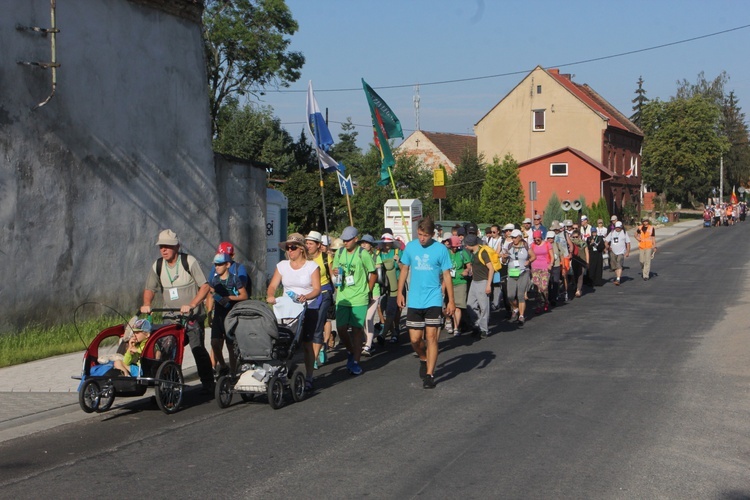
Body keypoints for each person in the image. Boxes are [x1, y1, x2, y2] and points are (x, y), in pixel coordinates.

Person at [141, 229, 214, 393]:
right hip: (170, 317)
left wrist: (192, 304)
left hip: (191, 317)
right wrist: (146, 303)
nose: (164, 250)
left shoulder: (189, 262)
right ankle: (168, 385)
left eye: (167, 246)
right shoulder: (158, 265)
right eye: (161, 247)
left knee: (197, 349)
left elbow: (204, 286)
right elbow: (149, 289)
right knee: (167, 349)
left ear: (177, 247)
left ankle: (208, 382)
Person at [397, 217, 455, 389]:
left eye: (426, 235)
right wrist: (400, 293)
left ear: (432, 235)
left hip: (433, 299)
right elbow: (404, 269)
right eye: (420, 234)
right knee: (415, 340)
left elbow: (446, 275)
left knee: (431, 337)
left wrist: (450, 301)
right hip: (415, 298)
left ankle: (430, 374)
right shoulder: (411, 247)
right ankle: (423, 357)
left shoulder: (440, 249)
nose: (422, 238)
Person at [266, 233, 321, 390]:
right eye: (288, 248)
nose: (290, 250)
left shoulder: (311, 267)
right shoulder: (282, 265)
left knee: (307, 343)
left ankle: (309, 376)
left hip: (307, 307)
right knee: (285, 341)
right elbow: (272, 285)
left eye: (293, 247)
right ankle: (282, 372)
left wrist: (306, 296)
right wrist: (270, 295)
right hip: (288, 308)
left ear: (302, 249)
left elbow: (317, 289)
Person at [332, 226, 376, 376]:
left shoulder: (363, 254)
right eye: (343, 240)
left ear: (356, 239)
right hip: (343, 296)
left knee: (357, 330)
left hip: (359, 297)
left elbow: (373, 273)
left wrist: (368, 291)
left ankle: (356, 362)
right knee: (341, 328)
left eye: (348, 240)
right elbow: (334, 269)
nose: (345, 243)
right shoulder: (340, 252)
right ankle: (351, 350)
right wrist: (335, 271)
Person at [206, 252, 248, 376]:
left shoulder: (234, 279)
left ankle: (234, 372)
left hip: (230, 315)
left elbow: (244, 296)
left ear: (227, 265)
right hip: (218, 315)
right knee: (214, 343)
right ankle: (223, 366)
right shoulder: (214, 280)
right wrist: (209, 313)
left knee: (230, 346)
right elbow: (211, 296)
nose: (216, 267)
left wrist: (229, 298)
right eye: (215, 265)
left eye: (219, 264)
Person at [305, 231, 333, 368]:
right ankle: (321, 347)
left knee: (318, 324)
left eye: (311, 243)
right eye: (307, 243)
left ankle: (314, 358)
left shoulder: (326, 257)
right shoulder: (304, 258)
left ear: (318, 245)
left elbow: (333, 276)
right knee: (309, 326)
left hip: (324, 292)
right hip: (309, 294)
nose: (308, 246)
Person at [501, 229, 535, 326]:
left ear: (520, 237)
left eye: (515, 237)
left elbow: (533, 256)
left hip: (523, 272)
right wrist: (504, 257)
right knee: (510, 295)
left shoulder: (525, 245)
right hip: (512, 273)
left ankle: (521, 315)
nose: (513, 239)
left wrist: (528, 261)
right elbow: (504, 261)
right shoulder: (509, 246)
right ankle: (515, 308)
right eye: (512, 237)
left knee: (520, 295)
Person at [360, 234, 385, 357]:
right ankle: (368, 342)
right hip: (361, 292)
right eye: (362, 243)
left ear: (371, 245)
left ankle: (368, 345)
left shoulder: (376, 257)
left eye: (366, 243)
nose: (363, 245)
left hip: (373, 291)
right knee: (363, 319)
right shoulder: (359, 256)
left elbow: (377, 274)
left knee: (368, 318)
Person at [378, 232, 402, 344]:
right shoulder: (378, 253)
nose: (386, 245)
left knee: (394, 311)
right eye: (384, 243)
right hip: (382, 286)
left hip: (396, 284)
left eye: (388, 243)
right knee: (383, 308)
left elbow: (404, 269)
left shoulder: (397, 252)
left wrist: (398, 261)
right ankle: (390, 330)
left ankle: (393, 331)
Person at [445, 235, 472, 336]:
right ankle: (448, 320)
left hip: (460, 281)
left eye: (457, 246)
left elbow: (469, 266)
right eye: (453, 246)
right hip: (448, 282)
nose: (455, 248)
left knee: (458, 306)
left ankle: (456, 327)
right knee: (447, 306)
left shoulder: (462, 252)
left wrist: (466, 270)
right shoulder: (446, 253)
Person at [529, 230, 553, 313]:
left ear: (541, 237)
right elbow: (530, 255)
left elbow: (552, 256)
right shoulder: (532, 245)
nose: (536, 241)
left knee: (544, 287)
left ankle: (546, 301)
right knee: (537, 288)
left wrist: (551, 264)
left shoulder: (547, 244)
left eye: (538, 239)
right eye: (535, 239)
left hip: (545, 267)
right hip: (535, 268)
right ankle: (538, 305)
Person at [605, 221, 631, 286]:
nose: (618, 228)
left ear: (621, 227)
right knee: (614, 266)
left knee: (619, 264)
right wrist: (607, 247)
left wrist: (628, 252)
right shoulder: (612, 233)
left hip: (621, 252)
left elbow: (628, 243)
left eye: (619, 227)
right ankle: (617, 277)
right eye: (616, 227)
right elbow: (606, 241)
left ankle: (618, 279)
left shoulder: (624, 233)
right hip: (613, 252)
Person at [569, 229, 589, 297]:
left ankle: (578, 290)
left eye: (576, 237)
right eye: (573, 237)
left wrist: (587, 262)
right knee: (575, 275)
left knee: (580, 275)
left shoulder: (583, 243)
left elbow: (587, 252)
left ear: (580, 236)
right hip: (574, 260)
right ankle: (576, 286)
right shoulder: (571, 243)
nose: (575, 238)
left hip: (582, 261)